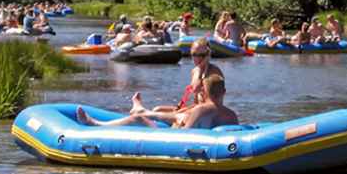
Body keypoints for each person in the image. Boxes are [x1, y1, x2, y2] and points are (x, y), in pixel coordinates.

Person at [76, 75, 238, 129]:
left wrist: (179, 124)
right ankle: (141, 109)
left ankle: (95, 124)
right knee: (180, 115)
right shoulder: (232, 115)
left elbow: (183, 137)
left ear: (203, 91)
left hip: (177, 140)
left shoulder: (201, 110)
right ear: (224, 92)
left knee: (139, 120)